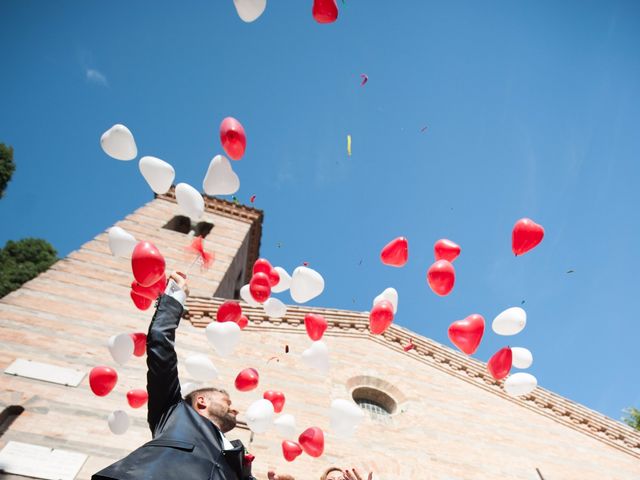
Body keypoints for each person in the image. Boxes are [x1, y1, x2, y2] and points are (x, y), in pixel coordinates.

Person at [93, 272, 292, 480]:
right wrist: (175, 296)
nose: (235, 408)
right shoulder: (172, 412)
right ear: (201, 401)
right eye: (227, 402)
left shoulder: (239, 464)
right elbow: (160, 345)